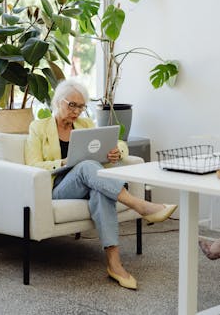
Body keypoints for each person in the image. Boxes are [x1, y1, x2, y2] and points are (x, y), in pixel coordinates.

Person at [25, 78, 178, 290]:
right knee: (88, 165)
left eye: (81, 106)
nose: (77, 111)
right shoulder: (38, 127)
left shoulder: (85, 125)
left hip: (89, 182)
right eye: (72, 105)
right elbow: (32, 164)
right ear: (58, 102)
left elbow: (119, 142)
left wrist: (117, 152)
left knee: (99, 190)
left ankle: (114, 264)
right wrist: (64, 162)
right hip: (59, 187)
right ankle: (141, 205)